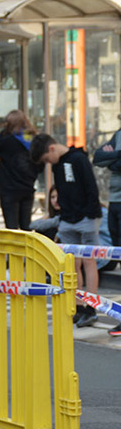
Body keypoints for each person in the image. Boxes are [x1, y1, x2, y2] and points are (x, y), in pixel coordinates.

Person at [30, 133, 102, 327]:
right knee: (72, 263)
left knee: (89, 261)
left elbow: (90, 187)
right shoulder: (57, 165)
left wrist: (90, 213)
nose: (48, 163)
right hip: (68, 218)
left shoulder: (78, 159)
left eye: (47, 158)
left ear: (52, 149)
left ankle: (91, 307)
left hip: (85, 217)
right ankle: (78, 307)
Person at [92, 124, 121, 335]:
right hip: (114, 202)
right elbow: (98, 158)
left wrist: (112, 159)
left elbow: (109, 160)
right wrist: (116, 157)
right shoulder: (118, 134)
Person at [0, 110, 37, 230]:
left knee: (12, 228)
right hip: (27, 188)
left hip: (10, 190)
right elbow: (39, 163)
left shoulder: (6, 140)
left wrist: (3, 132)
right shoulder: (30, 138)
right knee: (26, 227)